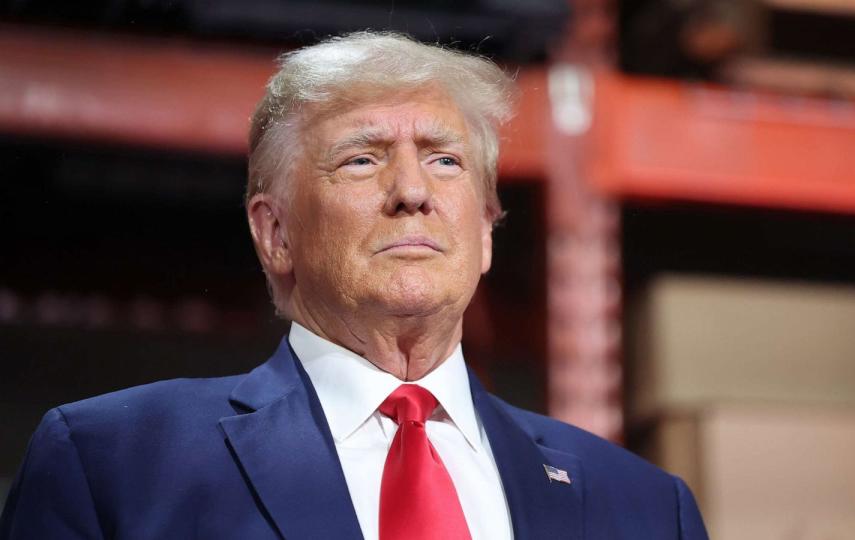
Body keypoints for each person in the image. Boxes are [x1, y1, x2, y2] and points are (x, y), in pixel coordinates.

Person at [0, 32, 709, 539]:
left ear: (487, 230)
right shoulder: (112, 466)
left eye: (444, 160)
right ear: (275, 233)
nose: (411, 192)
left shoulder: (646, 509)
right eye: (362, 160)